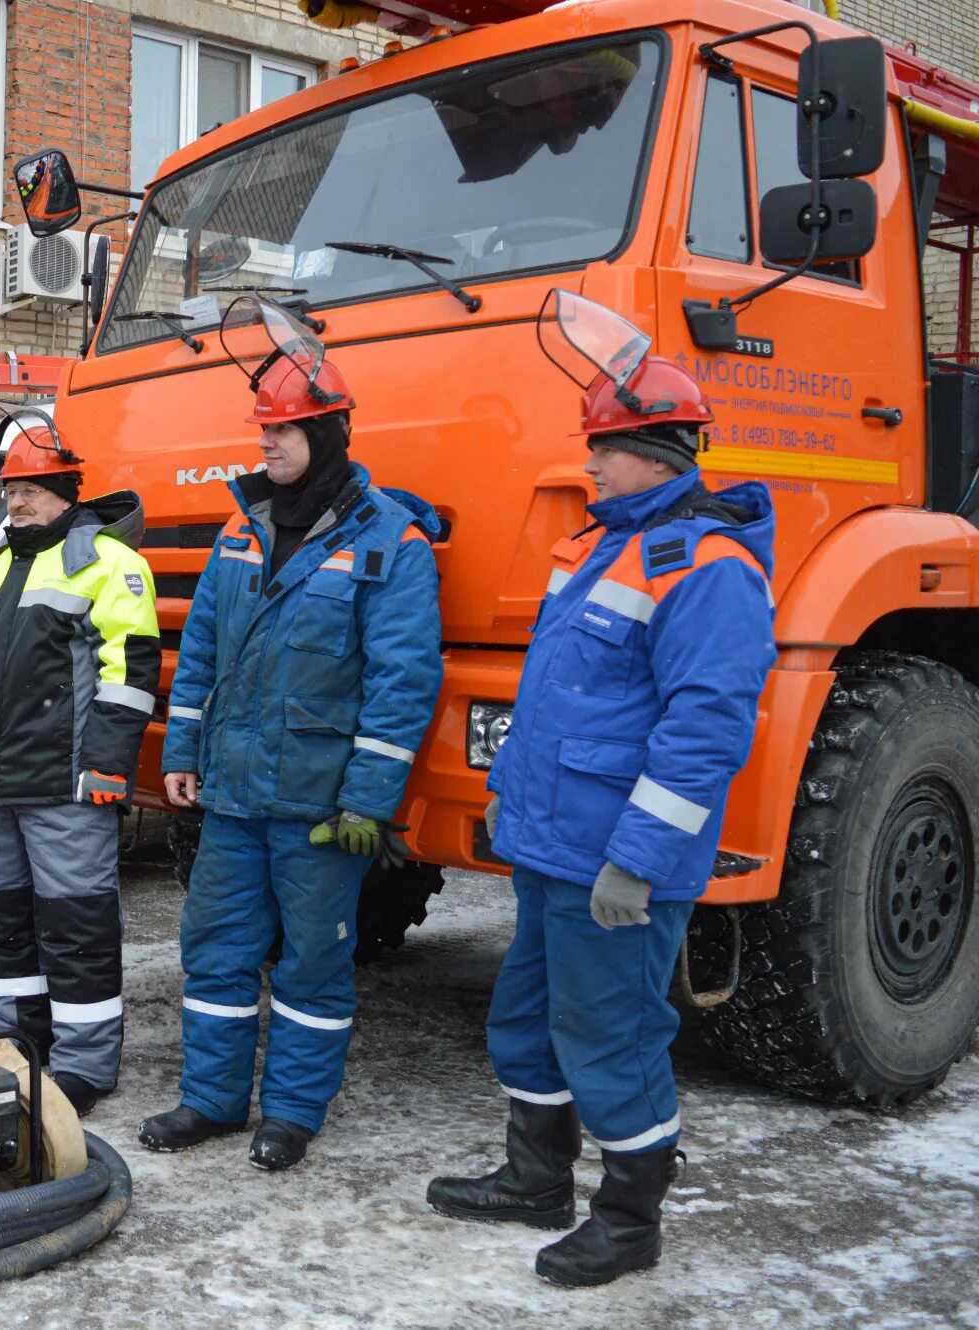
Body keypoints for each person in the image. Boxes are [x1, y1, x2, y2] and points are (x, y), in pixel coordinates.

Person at [427, 296, 775, 1287]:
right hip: (552, 849)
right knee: (528, 1019)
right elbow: (554, 703)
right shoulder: (599, 548)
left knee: (610, 1034)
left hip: (612, 862)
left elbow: (703, 730)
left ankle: (627, 1218)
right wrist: (505, 797)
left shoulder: (703, 566)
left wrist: (637, 857)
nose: (587, 463)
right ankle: (534, 1178)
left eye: (600, 448)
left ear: (654, 451)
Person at [137, 326, 444, 1172]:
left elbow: (402, 680)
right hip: (233, 795)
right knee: (217, 952)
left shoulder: (390, 543)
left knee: (312, 967)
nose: (265, 442)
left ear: (329, 434)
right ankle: (212, 1100)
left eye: (282, 430)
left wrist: (368, 802)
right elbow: (201, 650)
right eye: (262, 429)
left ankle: (295, 1113)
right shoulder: (243, 531)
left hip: (318, 806)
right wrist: (183, 748)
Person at [0, 404, 159, 1116]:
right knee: (6, 922)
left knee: (76, 929)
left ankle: (86, 1067)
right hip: (1, 784)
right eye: (10, 488)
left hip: (67, 783)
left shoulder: (109, 561)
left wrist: (106, 767)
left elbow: (128, 674)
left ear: (68, 490)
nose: (16, 499)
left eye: (31, 488)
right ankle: (20, 1044)